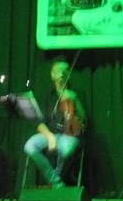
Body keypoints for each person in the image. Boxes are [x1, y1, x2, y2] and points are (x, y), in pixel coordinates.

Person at [23, 57, 86, 187]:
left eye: (65, 70)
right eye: (59, 70)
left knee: (66, 149)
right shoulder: (47, 97)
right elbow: (39, 123)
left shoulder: (77, 93)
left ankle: (53, 183)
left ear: (69, 74)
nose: (62, 72)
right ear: (52, 75)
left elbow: (84, 119)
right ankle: (56, 182)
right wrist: (50, 136)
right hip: (50, 133)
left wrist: (75, 100)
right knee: (29, 146)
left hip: (70, 135)